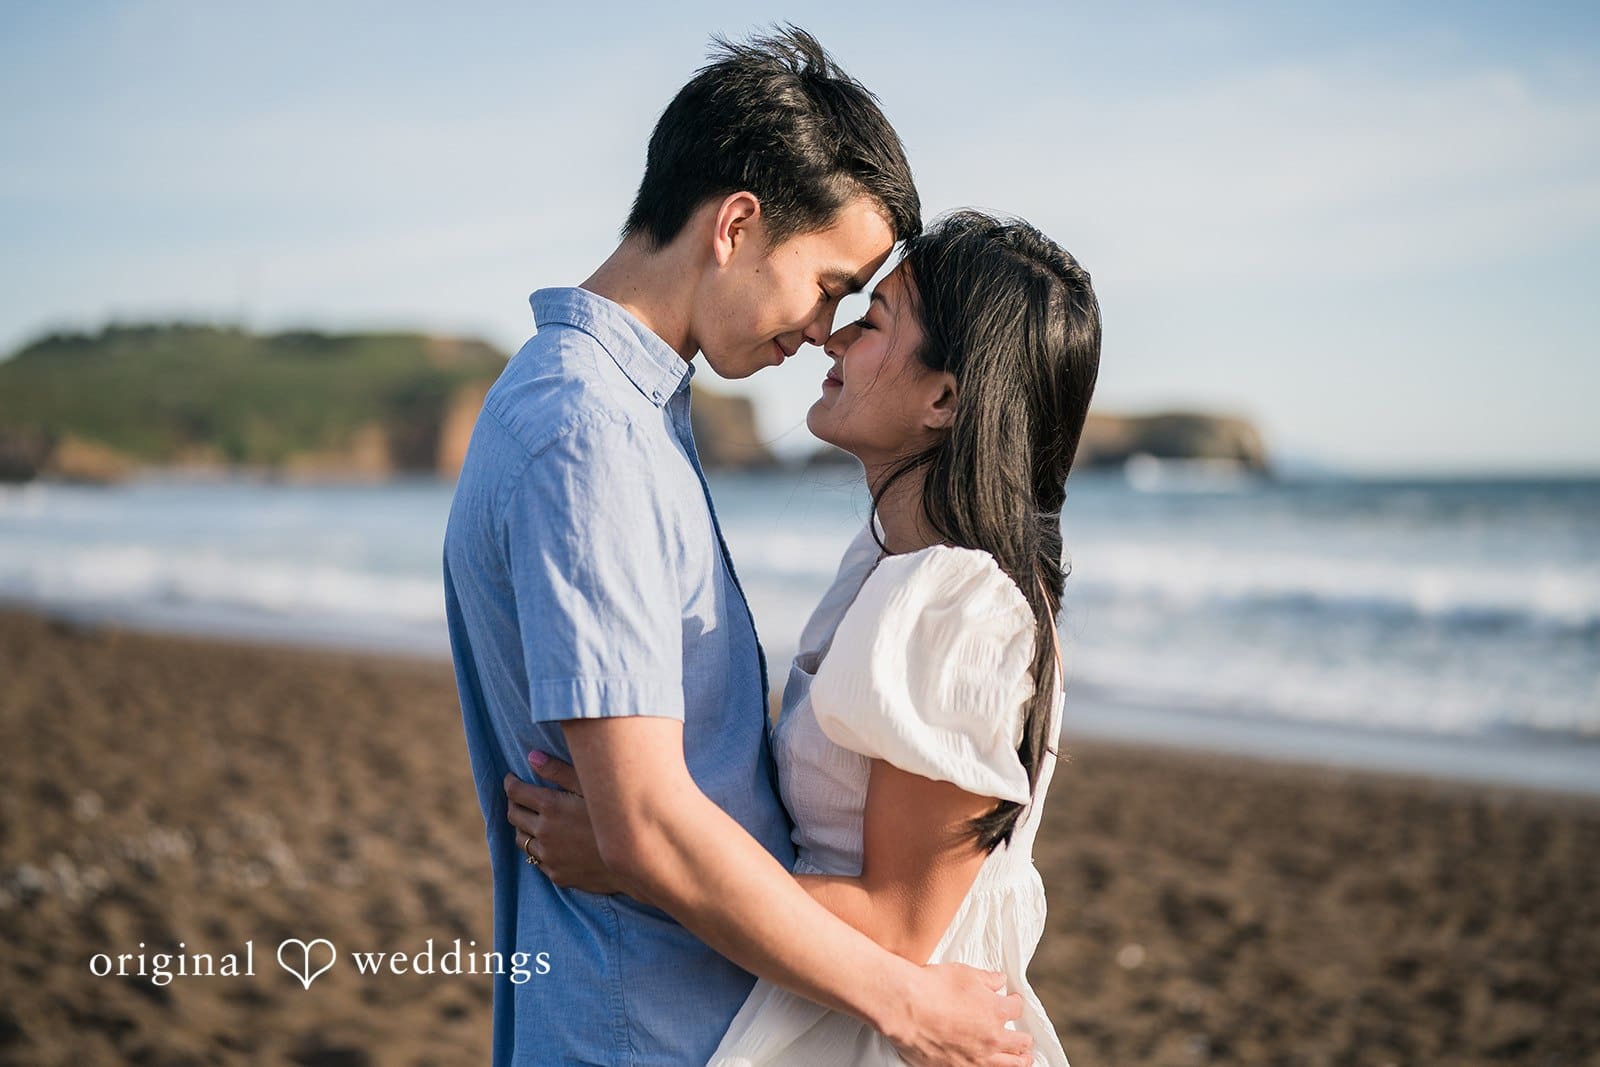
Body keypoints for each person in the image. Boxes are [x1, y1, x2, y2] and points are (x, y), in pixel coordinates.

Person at [443, 27, 1034, 1067]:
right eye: (831, 283)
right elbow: (644, 823)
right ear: (737, 225)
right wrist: (908, 1001)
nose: (824, 329)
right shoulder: (591, 433)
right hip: (646, 1027)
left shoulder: (622, 412)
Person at [503, 209, 1103, 1064]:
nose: (834, 335)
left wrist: (639, 861)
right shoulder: (891, 564)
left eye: (875, 320)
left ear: (944, 399)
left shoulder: (957, 606)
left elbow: (897, 924)